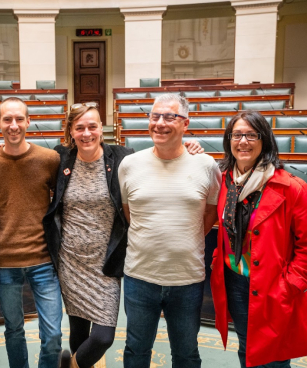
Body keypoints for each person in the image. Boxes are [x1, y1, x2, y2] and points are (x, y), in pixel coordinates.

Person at [43, 103, 204, 368]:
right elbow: (27, 161)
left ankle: (70, 366)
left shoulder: (122, 157)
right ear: (70, 130)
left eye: (92, 126)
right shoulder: (59, 158)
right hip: (71, 260)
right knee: (79, 331)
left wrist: (189, 148)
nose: (86, 133)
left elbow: (157, 157)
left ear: (101, 129)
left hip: (106, 261)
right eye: (79, 127)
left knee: (103, 336)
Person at [210, 111, 307, 368]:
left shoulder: (292, 187)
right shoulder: (224, 180)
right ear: (229, 140)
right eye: (237, 135)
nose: (243, 141)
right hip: (236, 281)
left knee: (275, 357)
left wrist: (292, 283)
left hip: (275, 286)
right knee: (246, 348)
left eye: (252, 134)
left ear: (265, 141)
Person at [118, 93, 221, 368]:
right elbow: (131, 214)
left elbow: (209, 214)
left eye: (169, 116)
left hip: (187, 278)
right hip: (140, 276)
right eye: (154, 116)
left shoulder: (207, 165)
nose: (160, 123)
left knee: (186, 354)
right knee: (136, 351)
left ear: (185, 124)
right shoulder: (129, 165)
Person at [0, 97, 62, 368]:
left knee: (54, 335)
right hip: (5, 263)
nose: (14, 126)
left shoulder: (50, 159)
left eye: (19, 119)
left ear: (28, 122)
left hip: (43, 261)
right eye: (7, 120)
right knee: (14, 330)